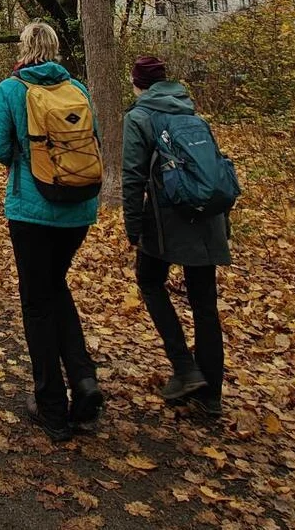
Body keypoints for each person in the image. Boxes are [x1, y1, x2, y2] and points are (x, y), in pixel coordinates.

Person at [0, 22, 103, 442]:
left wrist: (25, 152)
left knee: (37, 302)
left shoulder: (12, 89)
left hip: (33, 212)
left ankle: (51, 404)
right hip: (78, 208)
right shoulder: (77, 89)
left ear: (23, 47)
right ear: (54, 49)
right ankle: (84, 380)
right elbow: (95, 140)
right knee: (56, 288)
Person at [122, 55, 231, 418]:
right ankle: (211, 395)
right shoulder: (191, 112)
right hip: (208, 218)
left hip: (167, 218)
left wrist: (132, 225)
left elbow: (133, 177)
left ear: (138, 83)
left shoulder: (139, 117)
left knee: (150, 281)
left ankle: (184, 366)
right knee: (204, 305)